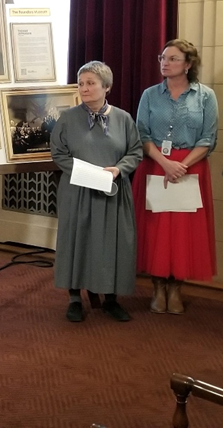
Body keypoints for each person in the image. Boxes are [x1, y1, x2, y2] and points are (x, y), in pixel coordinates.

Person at [50, 61, 142, 323]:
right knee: (78, 240)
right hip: (78, 190)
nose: (84, 88)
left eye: (91, 83)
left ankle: (111, 299)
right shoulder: (67, 118)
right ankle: (75, 298)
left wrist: (117, 170)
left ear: (107, 87)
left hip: (112, 191)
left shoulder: (123, 118)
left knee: (112, 243)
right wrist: (84, 172)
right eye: (81, 83)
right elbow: (58, 153)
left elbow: (135, 151)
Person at [133, 39, 219, 315]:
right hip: (156, 166)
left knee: (184, 230)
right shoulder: (149, 95)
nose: (164, 63)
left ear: (188, 64)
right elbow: (141, 134)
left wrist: (181, 165)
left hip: (190, 169)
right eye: (162, 58)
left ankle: (176, 288)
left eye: (172, 59)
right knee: (157, 228)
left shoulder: (205, 96)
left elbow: (208, 138)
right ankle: (157, 287)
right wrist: (165, 162)